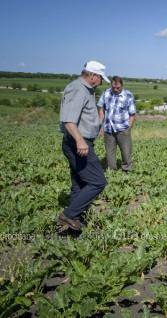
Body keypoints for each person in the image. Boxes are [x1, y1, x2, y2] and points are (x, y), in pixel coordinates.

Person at [57, 61, 109, 232]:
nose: (101, 82)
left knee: (79, 183)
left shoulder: (86, 90)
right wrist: (80, 140)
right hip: (77, 143)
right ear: (93, 76)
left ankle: (75, 223)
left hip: (80, 141)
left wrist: (95, 127)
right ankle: (70, 215)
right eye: (101, 78)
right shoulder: (78, 89)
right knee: (97, 182)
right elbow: (69, 120)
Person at [97, 76, 136, 171]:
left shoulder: (128, 95)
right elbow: (100, 107)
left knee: (126, 152)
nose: (115, 89)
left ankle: (127, 171)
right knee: (110, 153)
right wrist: (100, 124)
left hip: (123, 129)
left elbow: (132, 114)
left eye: (118, 87)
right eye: (113, 87)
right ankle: (112, 172)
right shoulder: (106, 93)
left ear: (122, 85)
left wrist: (128, 127)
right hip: (108, 129)